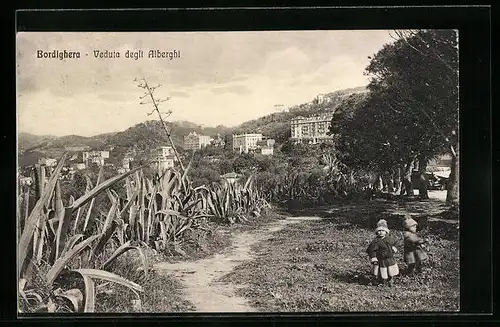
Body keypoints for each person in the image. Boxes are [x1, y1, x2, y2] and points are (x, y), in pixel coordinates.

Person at [366, 219, 400, 286]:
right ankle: (382, 281)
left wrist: (394, 247)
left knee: (391, 270)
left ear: (386, 232)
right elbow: (371, 250)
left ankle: (391, 280)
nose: (381, 232)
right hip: (381, 259)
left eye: (383, 230)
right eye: (379, 231)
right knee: (382, 270)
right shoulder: (376, 241)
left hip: (390, 258)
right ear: (377, 232)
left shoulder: (390, 239)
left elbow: (397, 242)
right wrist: (374, 257)